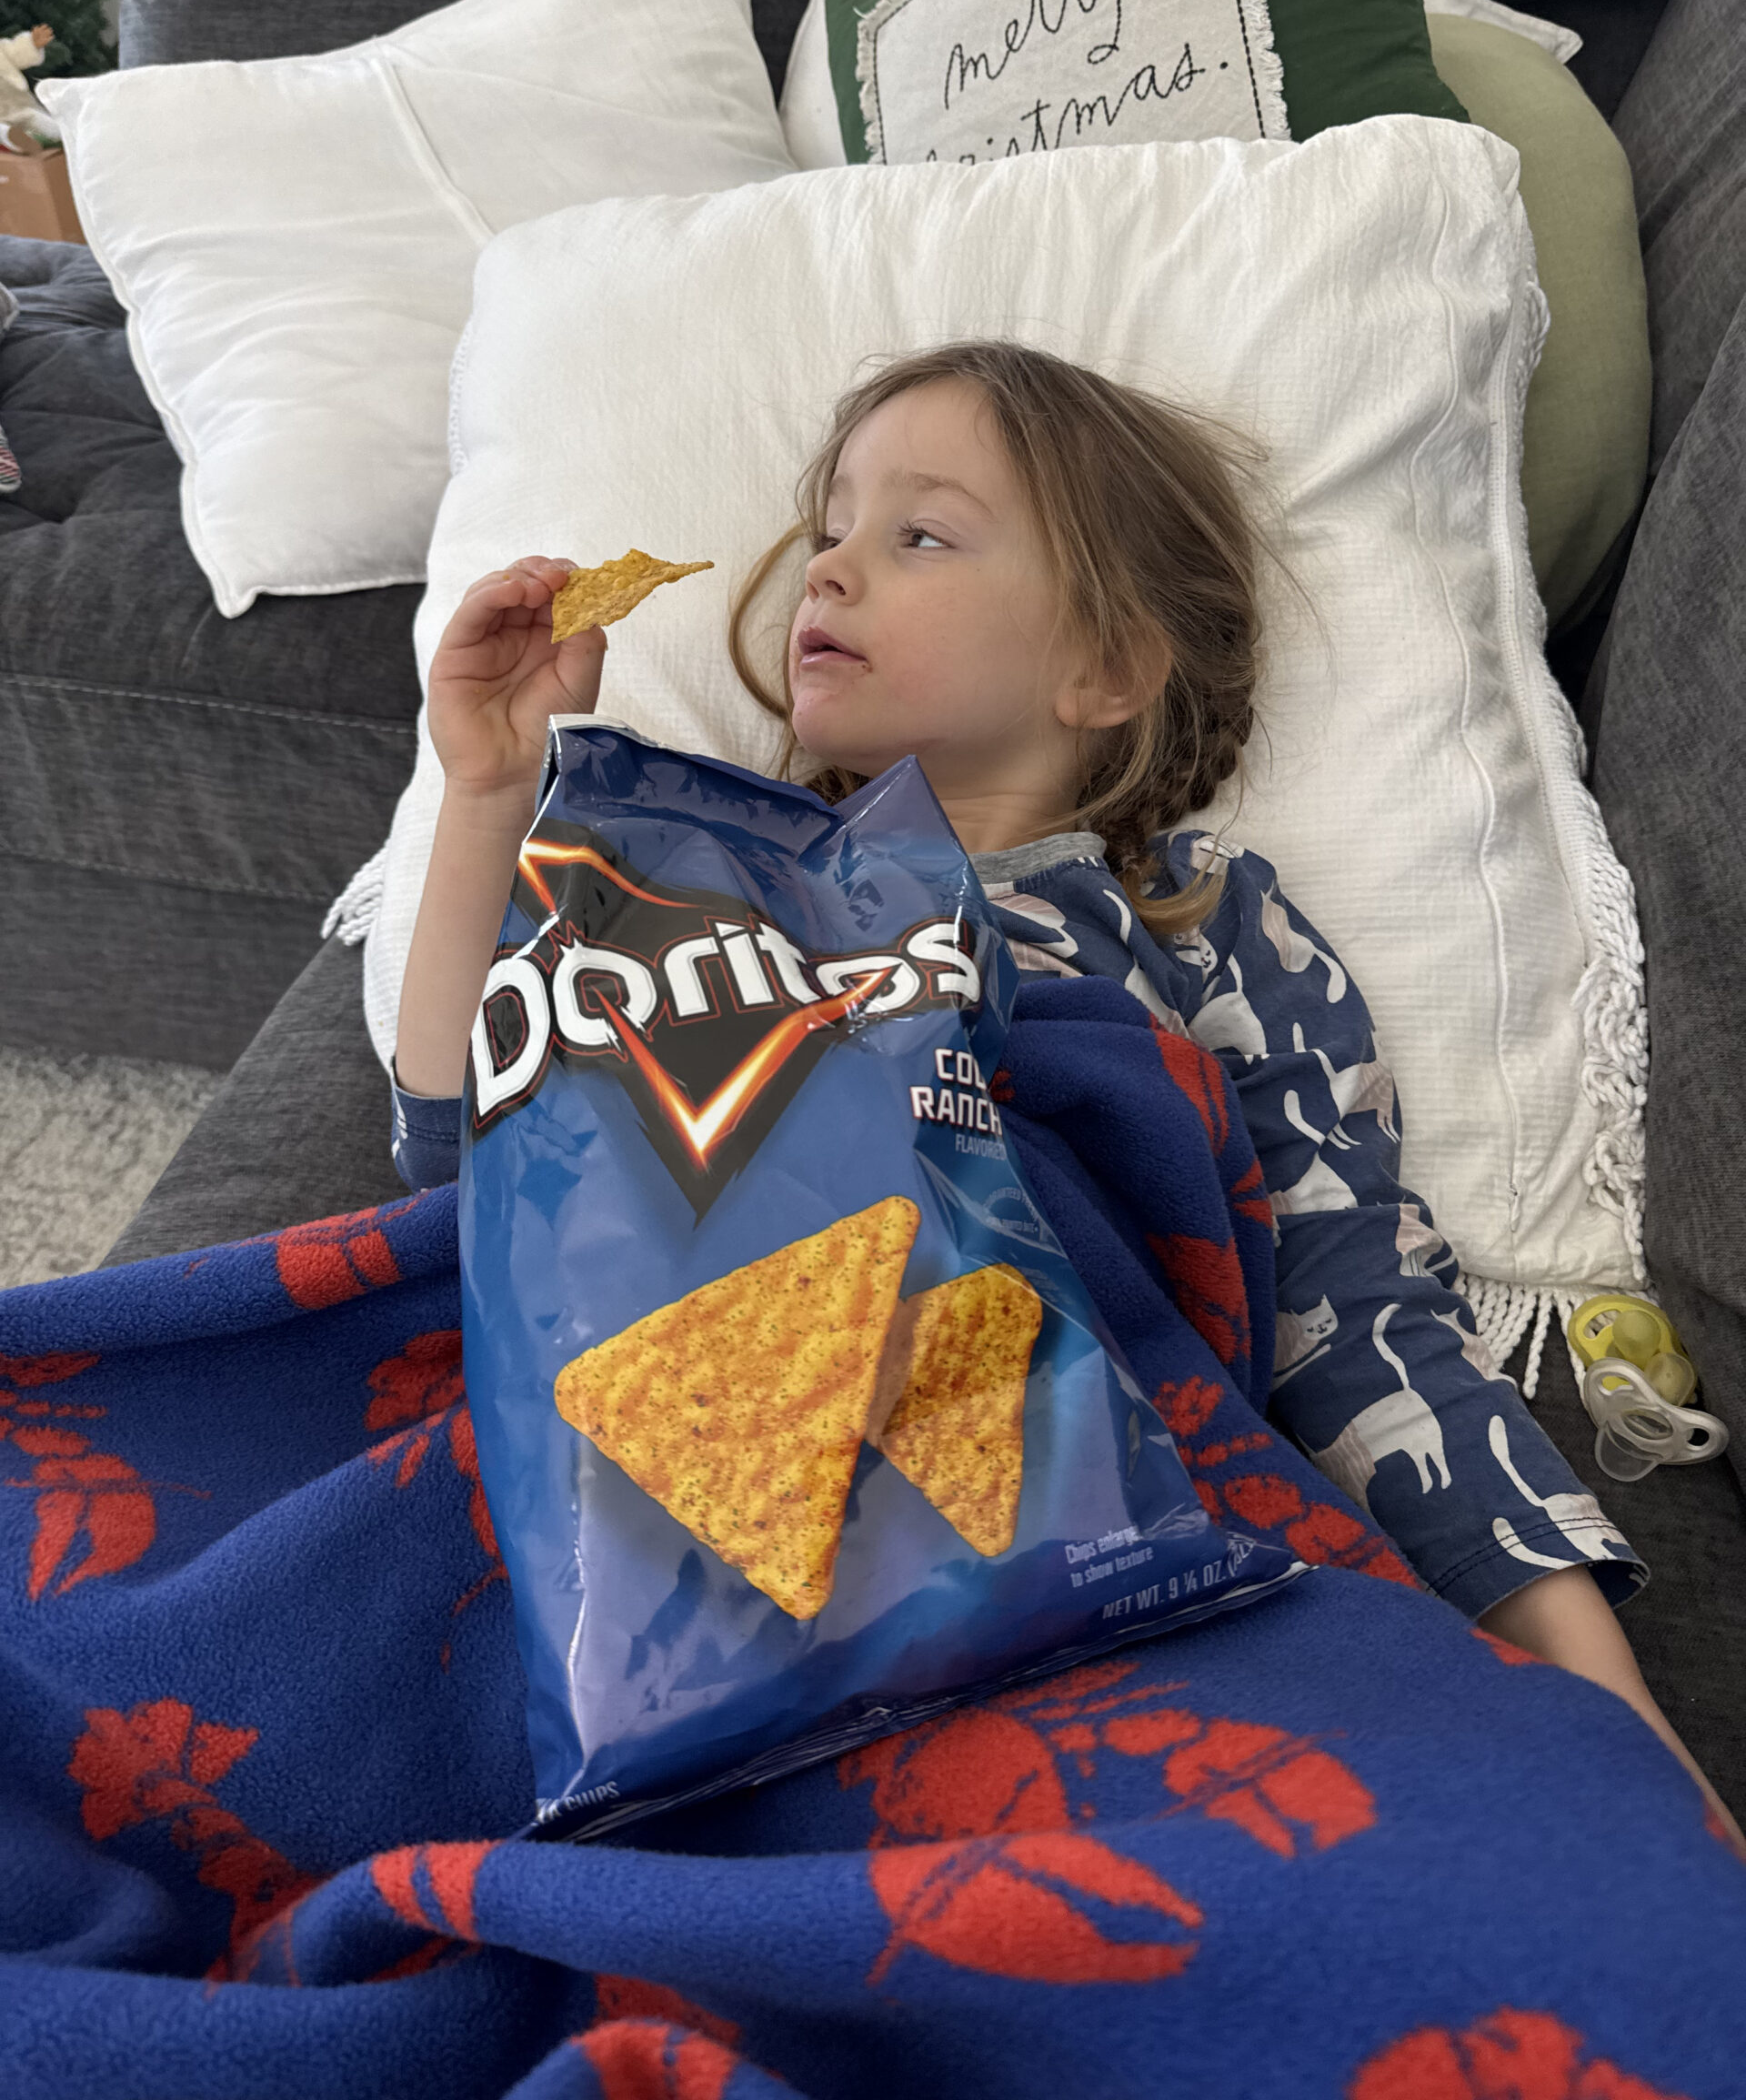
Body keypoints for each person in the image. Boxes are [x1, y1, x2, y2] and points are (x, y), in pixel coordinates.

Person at [389, 337, 1741, 1846]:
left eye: (918, 534)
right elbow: (460, 1167)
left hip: (1091, 1516)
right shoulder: (696, 895)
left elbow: (1358, 1323)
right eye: (829, 528)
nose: (827, 573)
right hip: (667, 1547)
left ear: (1105, 670)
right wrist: (490, 795)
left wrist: (1621, 1727)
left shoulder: (1211, 936)